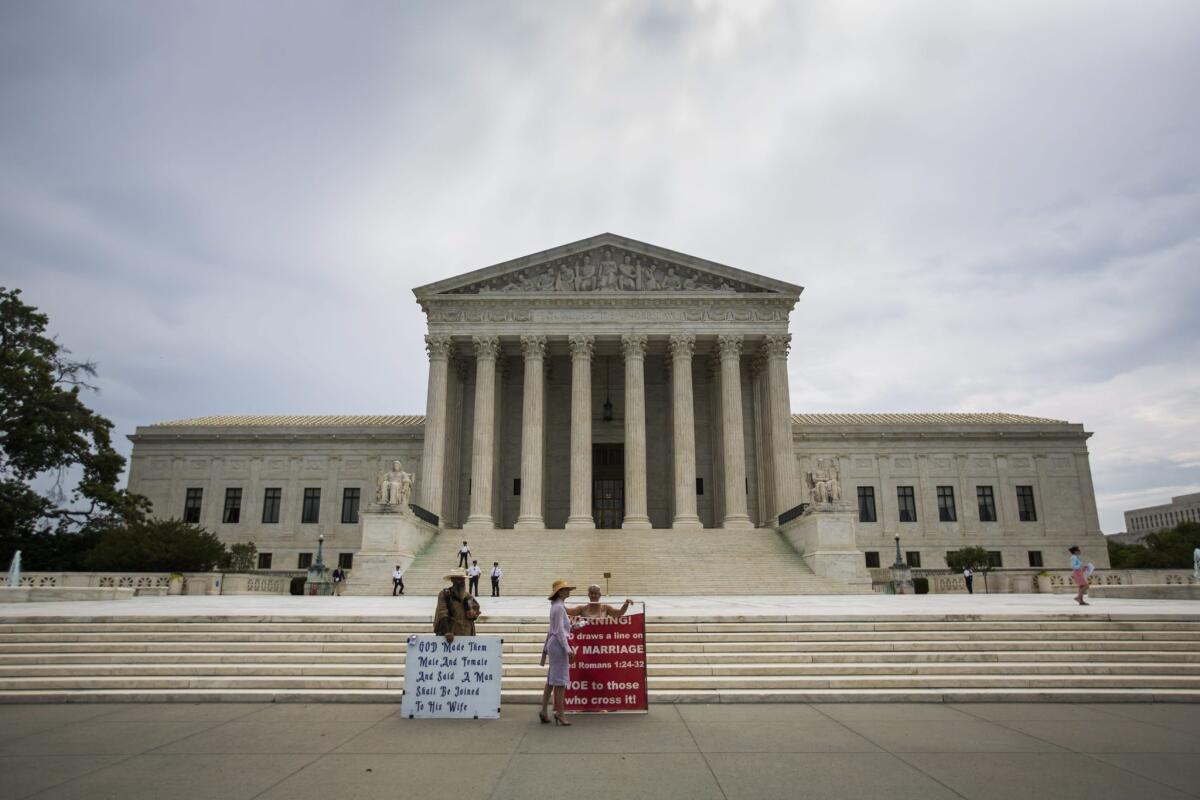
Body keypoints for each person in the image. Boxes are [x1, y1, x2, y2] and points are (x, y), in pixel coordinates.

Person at [539, 579, 576, 726]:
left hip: (554, 642)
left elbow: (561, 628)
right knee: (560, 681)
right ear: (560, 592)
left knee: (551, 680)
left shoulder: (556, 606)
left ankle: (544, 710)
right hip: (559, 644)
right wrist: (568, 649)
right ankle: (560, 713)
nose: (568, 592)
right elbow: (560, 630)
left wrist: (575, 626)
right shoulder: (560, 607)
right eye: (566, 589)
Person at [433, 569, 480, 644]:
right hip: (451, 635)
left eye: (463, 578)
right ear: (452, 580)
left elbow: (476, 609)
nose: (461, 581)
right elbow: (442, 613)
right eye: (458, 579)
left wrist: (473, 614)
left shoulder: (468, 596)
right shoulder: (445, 594)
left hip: (467, 633)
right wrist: (447, 632)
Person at [568, 585, 635, 619]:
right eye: (591, 593)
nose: (593, 595)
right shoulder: (581, 608)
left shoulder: (606, 608)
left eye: (595, 593)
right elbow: (568, 611)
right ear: (588, 595)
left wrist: (626, 604)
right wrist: (559, 601)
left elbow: (620, 613)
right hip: (586, 638)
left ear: (599, 595)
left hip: (601, 638)